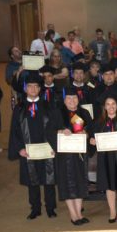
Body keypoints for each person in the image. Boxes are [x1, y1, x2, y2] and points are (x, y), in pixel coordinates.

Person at [8, 73, 57, 219]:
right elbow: (14, 130)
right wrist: (19, 149)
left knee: (49, 179)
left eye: (36, 86)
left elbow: (54, 127)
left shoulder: (48, 106)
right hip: (28, 150)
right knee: (32, 179)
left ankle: (50, 208)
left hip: (46, 149)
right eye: (30, 86)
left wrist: (54, 146)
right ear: (25, 89)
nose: (33, 89)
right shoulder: (19, 108)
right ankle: (35, 208)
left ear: (40, 88)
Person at [48, 91, 91, 225]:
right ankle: (73, 215)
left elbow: (91, 128)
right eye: (69, 98)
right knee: (67, 183)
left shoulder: (84, 113)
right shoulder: (57, 113)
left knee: (79, 182)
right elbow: (48, 131)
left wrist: (87, 133)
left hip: (79, 155)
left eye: (74, 98)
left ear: (78, 99)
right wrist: (60, 131)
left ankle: (79, 213)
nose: (72, 101)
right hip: (64, 156)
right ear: (64, 100)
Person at [89, 96, 117, 223]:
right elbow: (92, 138)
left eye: (113, 104)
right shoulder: (99, 122)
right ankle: (112, 211)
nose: (111, 106)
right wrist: (92, 141)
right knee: (109, 185)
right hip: (105, 158)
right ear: (104, 107)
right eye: (108, 104)